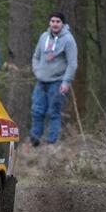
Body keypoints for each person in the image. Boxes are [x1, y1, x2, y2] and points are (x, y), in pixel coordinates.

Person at [29, 11, 78, 146]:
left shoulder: (68, 40)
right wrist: (37, 70)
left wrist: (66, 82)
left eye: (58, 22)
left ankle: (52, 142)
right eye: (52, 21)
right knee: (37, 110)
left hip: (57, 82)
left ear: (63, 24)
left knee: (53, 112)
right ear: (49, 23)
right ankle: (35, 139)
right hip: (41, 81)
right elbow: (36, 56)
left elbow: (72, 64)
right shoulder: (43, 37)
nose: (55, 24)